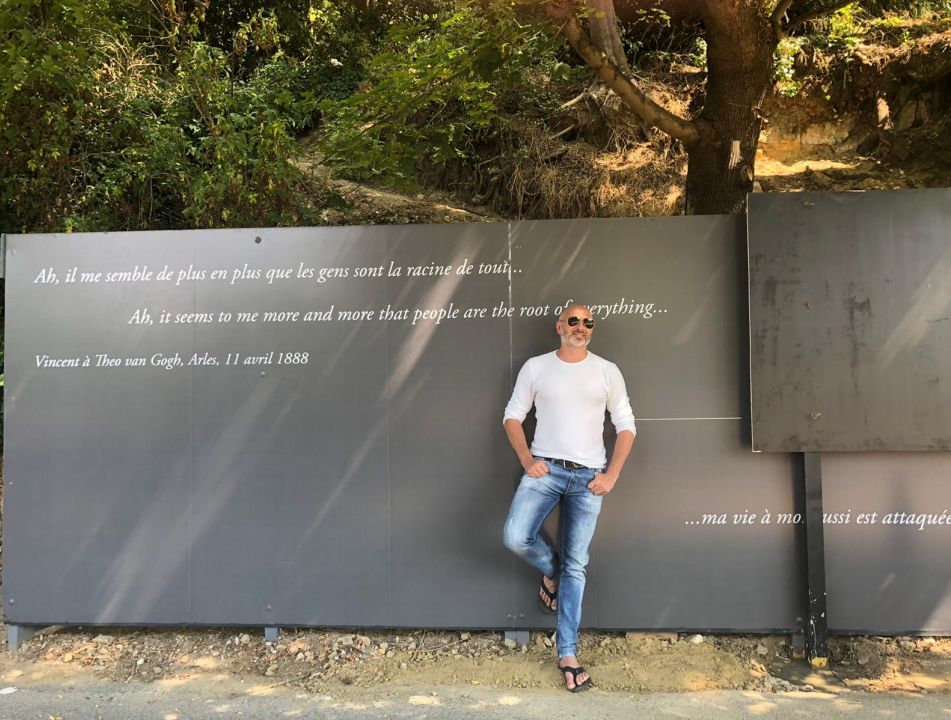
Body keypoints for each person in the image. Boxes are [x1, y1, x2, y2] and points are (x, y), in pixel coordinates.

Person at [502, 302, 636, 692]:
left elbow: (626, 425)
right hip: (545, 469)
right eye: (573, 320)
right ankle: (551, 570)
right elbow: (513, 415)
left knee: (577, 567)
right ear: (559, 325)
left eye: (587, 322)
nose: (580, 327)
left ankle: (568, 653)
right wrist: (527, 458)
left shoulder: (607, 371)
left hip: (589, 478)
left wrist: (612, 475)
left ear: (592, 329)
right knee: (515, 537)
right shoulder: (536, 366)